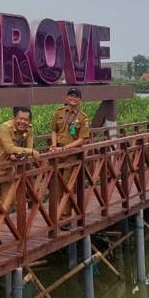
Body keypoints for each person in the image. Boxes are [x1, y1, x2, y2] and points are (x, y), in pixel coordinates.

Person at [0, 106, 40, 246]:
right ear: (14, 118)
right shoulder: (5, 127)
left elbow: (25, 149)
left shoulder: (29, 129)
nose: (23, 122)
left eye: (26, 119)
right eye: (20, 119)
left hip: (8, 169)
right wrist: (29, 151)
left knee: (8, 202)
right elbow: (10, 148)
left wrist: (23, 153)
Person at [49, 87, 92, 229]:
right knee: (56, 185)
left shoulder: (83, 117)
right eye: (70, 96)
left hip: (71, 155)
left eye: (76, 96)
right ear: (66, 97)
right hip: (58, 154)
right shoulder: (59, 112)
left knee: (67, 186)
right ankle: (56, 215)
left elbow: (82, 139)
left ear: (80, 100)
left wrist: (65, 148)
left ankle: (65, 219)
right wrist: (54, 145)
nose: (73, 98)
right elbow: (54, 130)